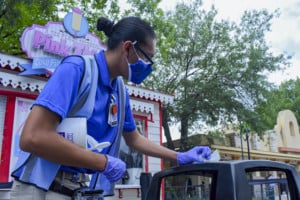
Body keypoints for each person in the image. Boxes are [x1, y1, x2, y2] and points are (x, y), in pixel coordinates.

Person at [10, 16, 211, 199]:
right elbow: (33, 137)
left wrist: (179, 156)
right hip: (40, 188)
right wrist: (103, 163)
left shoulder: (120, 91)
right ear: (127, 48)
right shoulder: (76, 69)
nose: (148, 67)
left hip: (78, 189)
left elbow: (133, 138)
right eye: (147, 58)